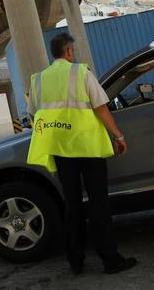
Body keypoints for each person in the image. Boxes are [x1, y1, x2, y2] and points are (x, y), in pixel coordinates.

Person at [27, 32, 136, 275]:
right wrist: (118, 136)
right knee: (98, 203)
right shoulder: (80, 73)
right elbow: (101, 108)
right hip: (88, 148)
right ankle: (110, 259)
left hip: (61, 150)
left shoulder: (38, 80)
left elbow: (35, 115)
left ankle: (75, 261)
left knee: (72, 204)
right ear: (69, 52)